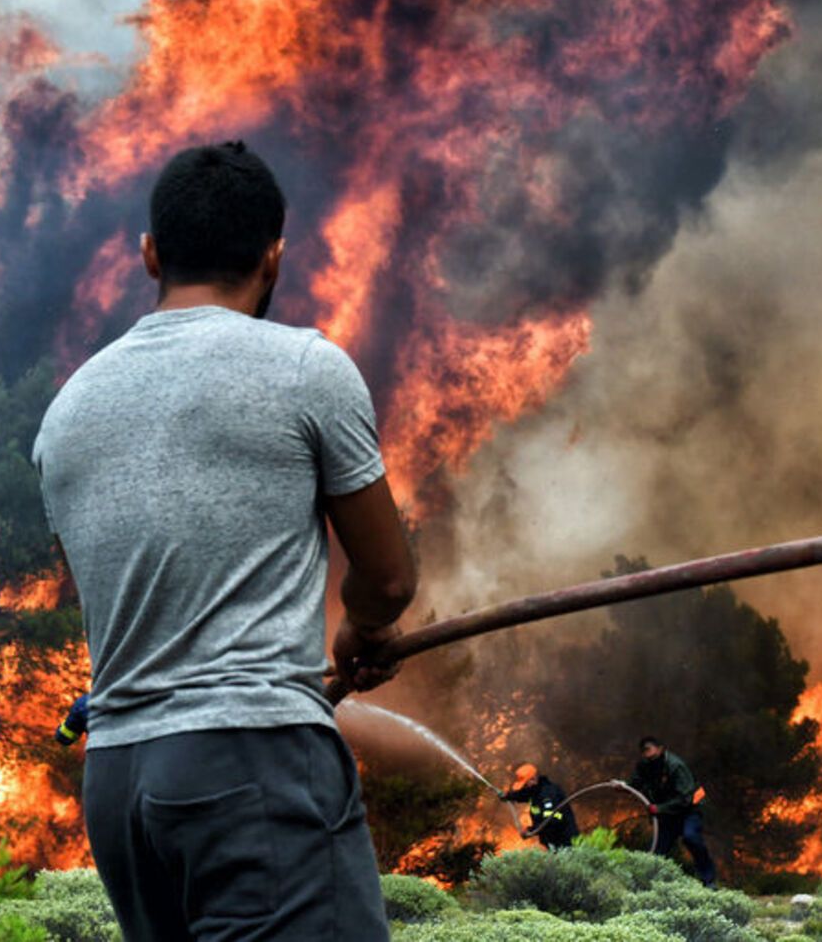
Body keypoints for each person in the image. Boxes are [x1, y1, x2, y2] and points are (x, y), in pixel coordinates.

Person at [33, 141, 417, 942]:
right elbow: (388, 579)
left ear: (150, 255)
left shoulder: (65, 414)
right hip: (251, 763)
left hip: (120, 783)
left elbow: (116, 589)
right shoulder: (307, 368)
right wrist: (363, 632)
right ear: (273, 258)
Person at [630, 736, 716, 886]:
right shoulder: (645, 765)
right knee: (658, 850)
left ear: (660, 748)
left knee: (691, 837)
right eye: (644, 751)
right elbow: (635, 783)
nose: (647, 754)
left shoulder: (676, 766)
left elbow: (686, 798)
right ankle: (647, 885)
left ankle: (709, 881)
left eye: (649, 749)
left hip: (689, 811)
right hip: (668, 815)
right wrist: (622, 785)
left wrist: (660, 808)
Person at [501, 762, 579, 849]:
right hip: (551, 841)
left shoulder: (548, 794)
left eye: (525, 784)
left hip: (564, 841)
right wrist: (508, 796)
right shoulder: (535, 790)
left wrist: (531, 830)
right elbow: (523, 794)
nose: (525, 787)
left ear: (533, 779)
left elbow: (550, 821)